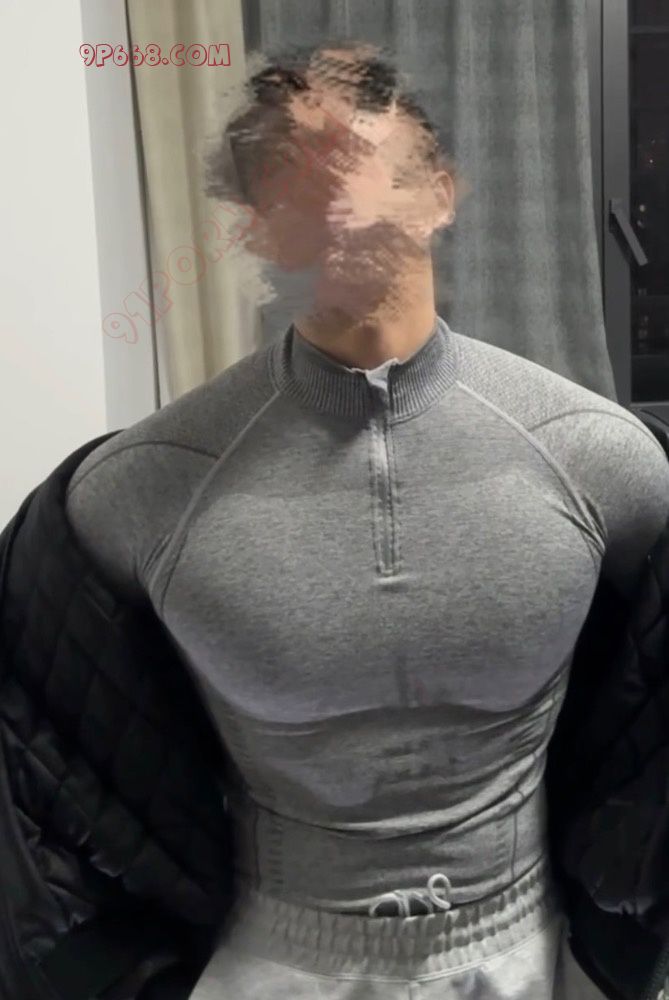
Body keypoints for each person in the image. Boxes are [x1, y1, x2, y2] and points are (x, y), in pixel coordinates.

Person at [64, 41, 669, 999]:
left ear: (441, 192)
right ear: (258, 229)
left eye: (356, 152)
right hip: (268, 964)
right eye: (288, 171)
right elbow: (65, 773)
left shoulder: (599, 458)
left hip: (537, 957)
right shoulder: (142, 488)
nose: (331, 191)